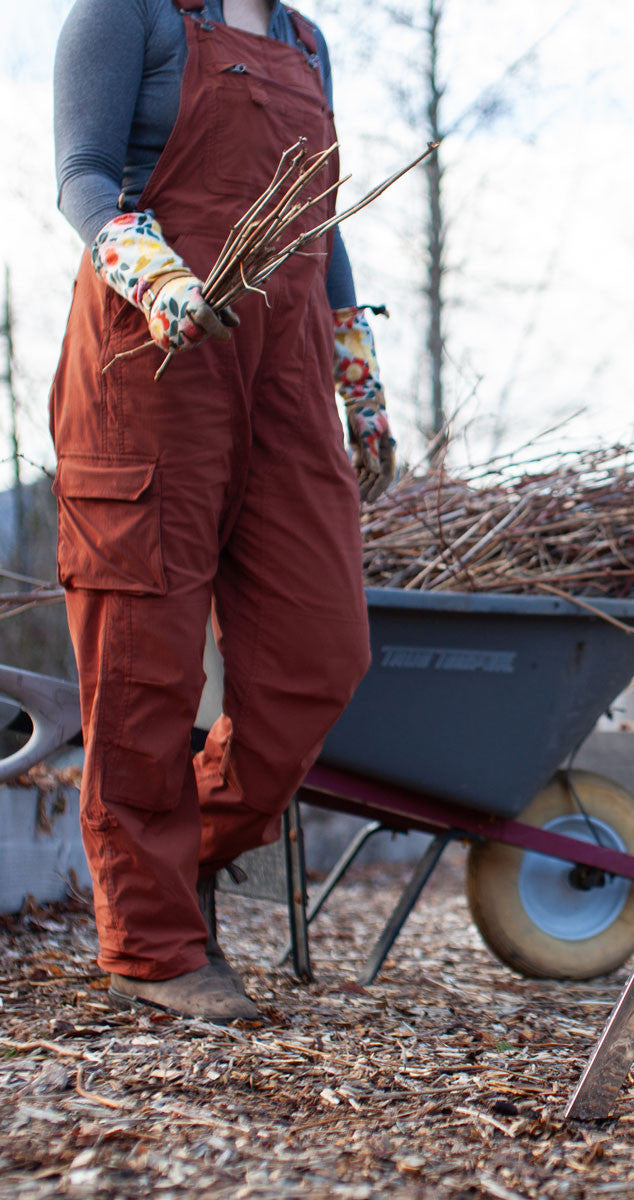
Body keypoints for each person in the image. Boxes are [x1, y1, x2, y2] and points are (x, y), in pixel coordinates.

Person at [51, 0, 395, 1021]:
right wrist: (152, 274)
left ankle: (175, 857)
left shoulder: (303, 42)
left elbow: (315, 220)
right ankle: (151, 948)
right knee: (142, 658)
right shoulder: (127, 13)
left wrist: (356, 366)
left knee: (319, 654)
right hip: (154, 357)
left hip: (282, 370)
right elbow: (82, 175)